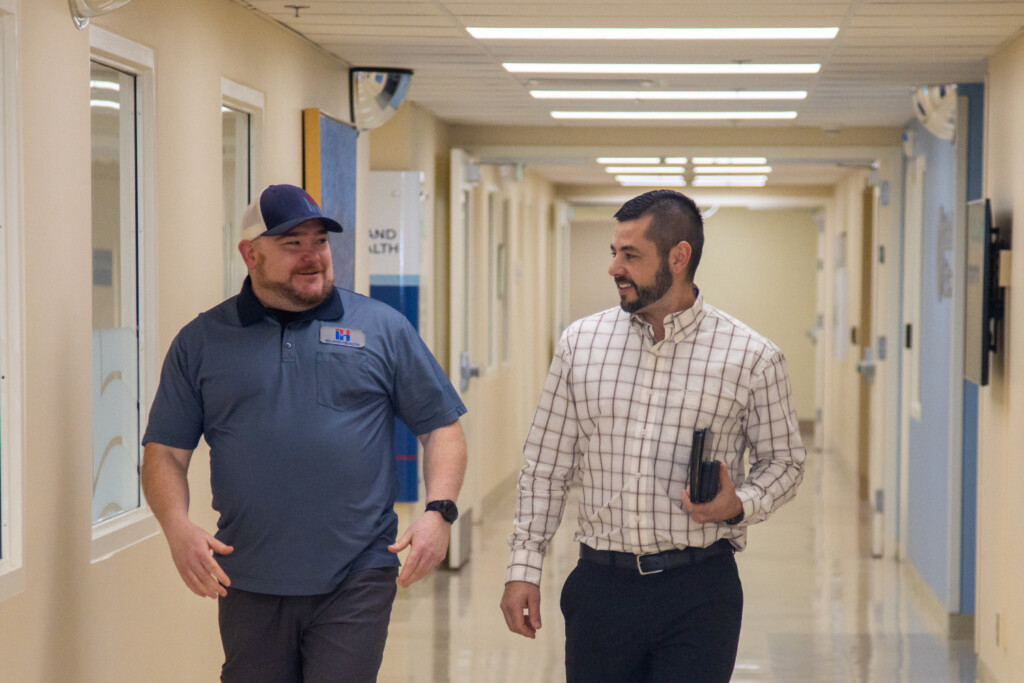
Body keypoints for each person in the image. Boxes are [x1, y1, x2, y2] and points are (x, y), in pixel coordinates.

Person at [142, 183, 467, 683]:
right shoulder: (202, 341)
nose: (312, 256)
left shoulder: (381, 327)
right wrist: (176, 526)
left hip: (357, 572)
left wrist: (439, 511)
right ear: (250, 254)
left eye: (319, 240)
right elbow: (164, 452)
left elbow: (441, 426)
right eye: (293, 244)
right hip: (247, 575)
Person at [500, 189, 806, 682]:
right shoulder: (581, 344)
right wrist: (523, 567)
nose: (614, 268)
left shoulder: (752, 356)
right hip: (601, 589)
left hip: (700, 589)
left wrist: (739, 502)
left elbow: (786, 462)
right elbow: (546, 465)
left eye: (631, 255)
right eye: (614, 252)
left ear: (679, 257)